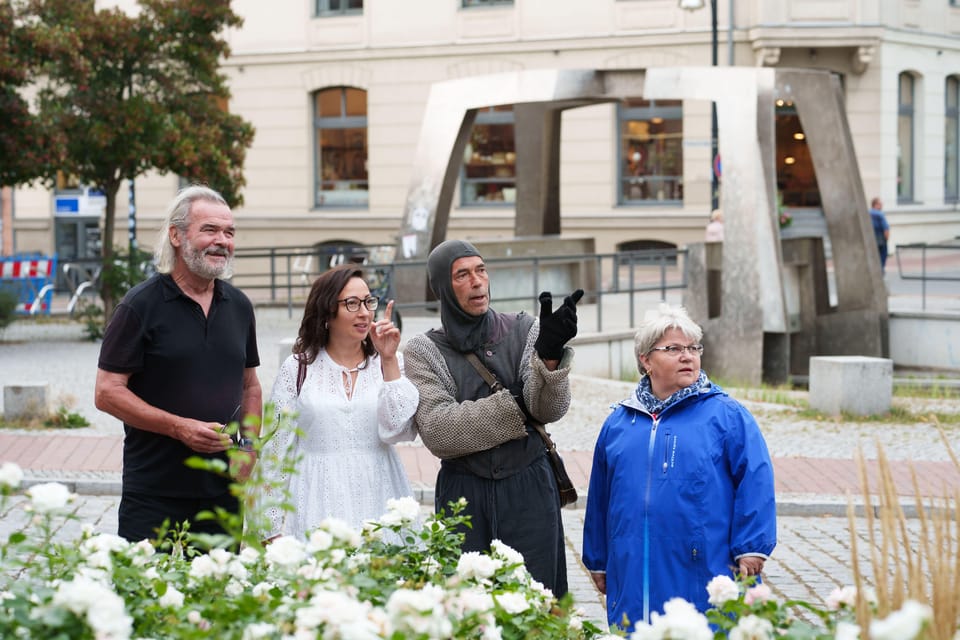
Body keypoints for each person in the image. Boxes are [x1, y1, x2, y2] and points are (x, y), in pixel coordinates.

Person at [403, 239, 583, 597]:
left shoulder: (524, 329)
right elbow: (440, 432)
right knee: (468, 609)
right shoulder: (423, 350)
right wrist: (518, 403)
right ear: (442, 287)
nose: (477, 281)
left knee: (536, 606)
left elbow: (548, 410)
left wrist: (549, 360)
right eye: (463, 274)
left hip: (529, 488)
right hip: (463, 494)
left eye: (481, 270)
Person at [582, 303, 777, 631]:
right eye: (673, 349)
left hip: (703, 568)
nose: (687, 356)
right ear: (646, 360)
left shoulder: (727, 416)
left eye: (693, 348)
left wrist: (752, 547)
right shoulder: (619, 423)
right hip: (633, 575)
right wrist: (598, 559)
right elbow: (600, 497)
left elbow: (755, 480)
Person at [95, 185, 262, 545]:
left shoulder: (239, 306)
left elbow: (250, 385)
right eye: (210, 230)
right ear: (176, 235)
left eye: (229, 232)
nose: (222, 241)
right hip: (154, 493)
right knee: (147, 599)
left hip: (222, 494)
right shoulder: (140, 306)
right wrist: (178, 428)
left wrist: (248, 445)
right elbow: (107, 393)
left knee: (217, 597)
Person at [258, 265, 418, 539]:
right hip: (318, 499)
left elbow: (398, 430)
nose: (365, 312)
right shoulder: (297, 368)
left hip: (380, 495)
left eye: (368, 302)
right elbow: (276, 450)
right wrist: (269, 530)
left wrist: (389, 359)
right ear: (327, 313)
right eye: (352, 303)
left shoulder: (389, 362)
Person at [869, 196, 890, 273]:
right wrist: (886, 239)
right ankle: (880, 271)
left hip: (870, 239)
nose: (881, 205)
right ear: (875, 205)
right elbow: (886, 229)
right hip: (880, 239)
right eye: (880, 204)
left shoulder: (868, 212)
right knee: (882, 256)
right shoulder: (880, 214)